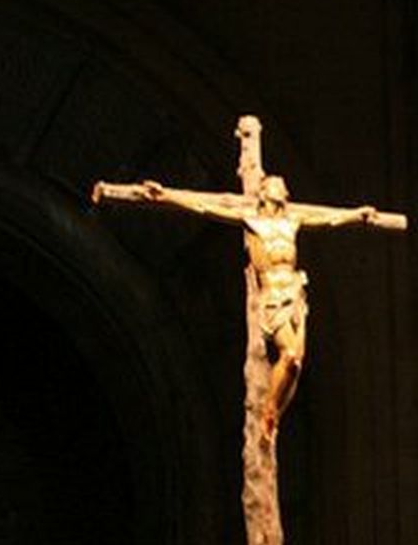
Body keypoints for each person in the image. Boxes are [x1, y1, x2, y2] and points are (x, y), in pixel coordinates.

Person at [98, 172, 386, 440]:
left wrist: (356, 215)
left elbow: (328, 219)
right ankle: (268, 413)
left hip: (295, 291)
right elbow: (204, 208)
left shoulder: (292, 221)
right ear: (263, 192)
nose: (280, 185)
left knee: (296, 363)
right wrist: (167, 196)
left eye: (281, 184)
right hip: (273, 295)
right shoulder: (251, 220)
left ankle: (275, 415)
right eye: (274, 182)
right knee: (289, 355)